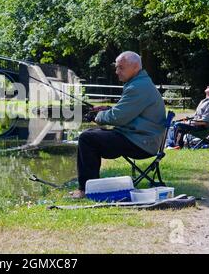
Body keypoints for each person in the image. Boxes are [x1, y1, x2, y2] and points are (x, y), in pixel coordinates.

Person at [69, 51, 166, 199]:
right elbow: (128, 111)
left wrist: (97, 116)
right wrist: (106, 109)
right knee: (90, 134)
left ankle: (86, 189)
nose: (117, 71)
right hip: (139, 137)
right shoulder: (139, 83)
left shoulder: (138, 87)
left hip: (141, 143)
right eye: (117, 67)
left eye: (121, 68)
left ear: (135, 67)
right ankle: (91, 186)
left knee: (86, 139)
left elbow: (118, 117)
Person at [171, 83, 209, 148]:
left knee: (178, 125)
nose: (208, 86)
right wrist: (188, 120)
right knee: (174, 124)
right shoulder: (203, 101)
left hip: (201, 127)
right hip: (196, 124)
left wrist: (191, 122)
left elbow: (205, 120)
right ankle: (174, 144)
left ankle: (177, 145)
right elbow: (195, 116)